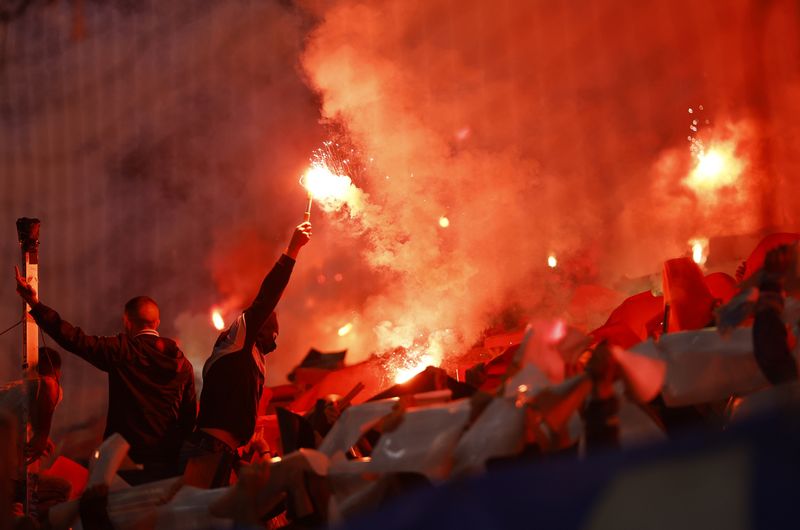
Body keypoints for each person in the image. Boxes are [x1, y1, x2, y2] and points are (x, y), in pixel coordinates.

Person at [14, 271, 196, 485]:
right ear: (157, 322)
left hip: (124, 460)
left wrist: (35, 304)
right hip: (167, 461)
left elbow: (75, 339)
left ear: (127, 322)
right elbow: (189, 416)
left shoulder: (121, 350)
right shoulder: (183, 364)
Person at [181, 222, 311, 487]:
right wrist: (293, 249)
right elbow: (268, 295)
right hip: (210, 450)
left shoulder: (248, 353)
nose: (275, 338)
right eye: (272, 331)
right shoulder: (239, 339)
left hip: (222, 452)